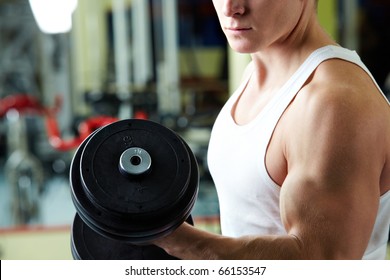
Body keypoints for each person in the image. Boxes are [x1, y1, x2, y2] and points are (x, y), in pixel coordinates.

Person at [153, 0, 390, 259]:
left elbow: (323, 263)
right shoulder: (255, 73)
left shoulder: (332, 103)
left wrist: (170, 237)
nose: (231, 7)